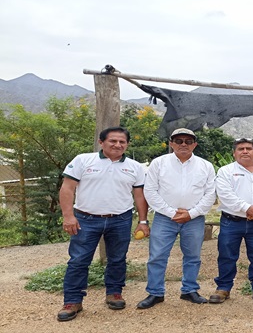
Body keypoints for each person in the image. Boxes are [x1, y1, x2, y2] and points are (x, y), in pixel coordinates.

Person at [57, 127, 149, 322]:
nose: (117, 145)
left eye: (122, 142)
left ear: (127, 145)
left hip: (121, 219)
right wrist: (68, 216)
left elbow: (139, 195)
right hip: (86, 219)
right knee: (79, 260)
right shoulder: (83, 160)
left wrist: (142, 221)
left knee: (117, 259)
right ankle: (72, 301)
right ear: (101, 142)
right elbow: (67, 188)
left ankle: (114, 293)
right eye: (113, 141)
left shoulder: (134, 167)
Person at [137, 128, 216, 309]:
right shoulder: (158, 163)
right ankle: (155, 293)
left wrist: (191, 213)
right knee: (157, 256)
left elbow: (210, 194)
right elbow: (150, 191)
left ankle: (189, 290)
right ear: (171, 143)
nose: (183, 144)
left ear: (194, 144)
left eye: (188, 141)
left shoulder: (206, 166)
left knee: (193, 256)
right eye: (178, 140)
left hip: (194, 219)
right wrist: (171, 212)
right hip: (165, 218)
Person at [210, 138, 253, 304]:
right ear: (234, 153)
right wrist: (247, 208)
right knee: (227, 255)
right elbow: (225, 194)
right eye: (240, 149)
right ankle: (223, 288)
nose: (245, 151)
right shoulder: (225, 171)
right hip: (232, 221)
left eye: (249, 148)